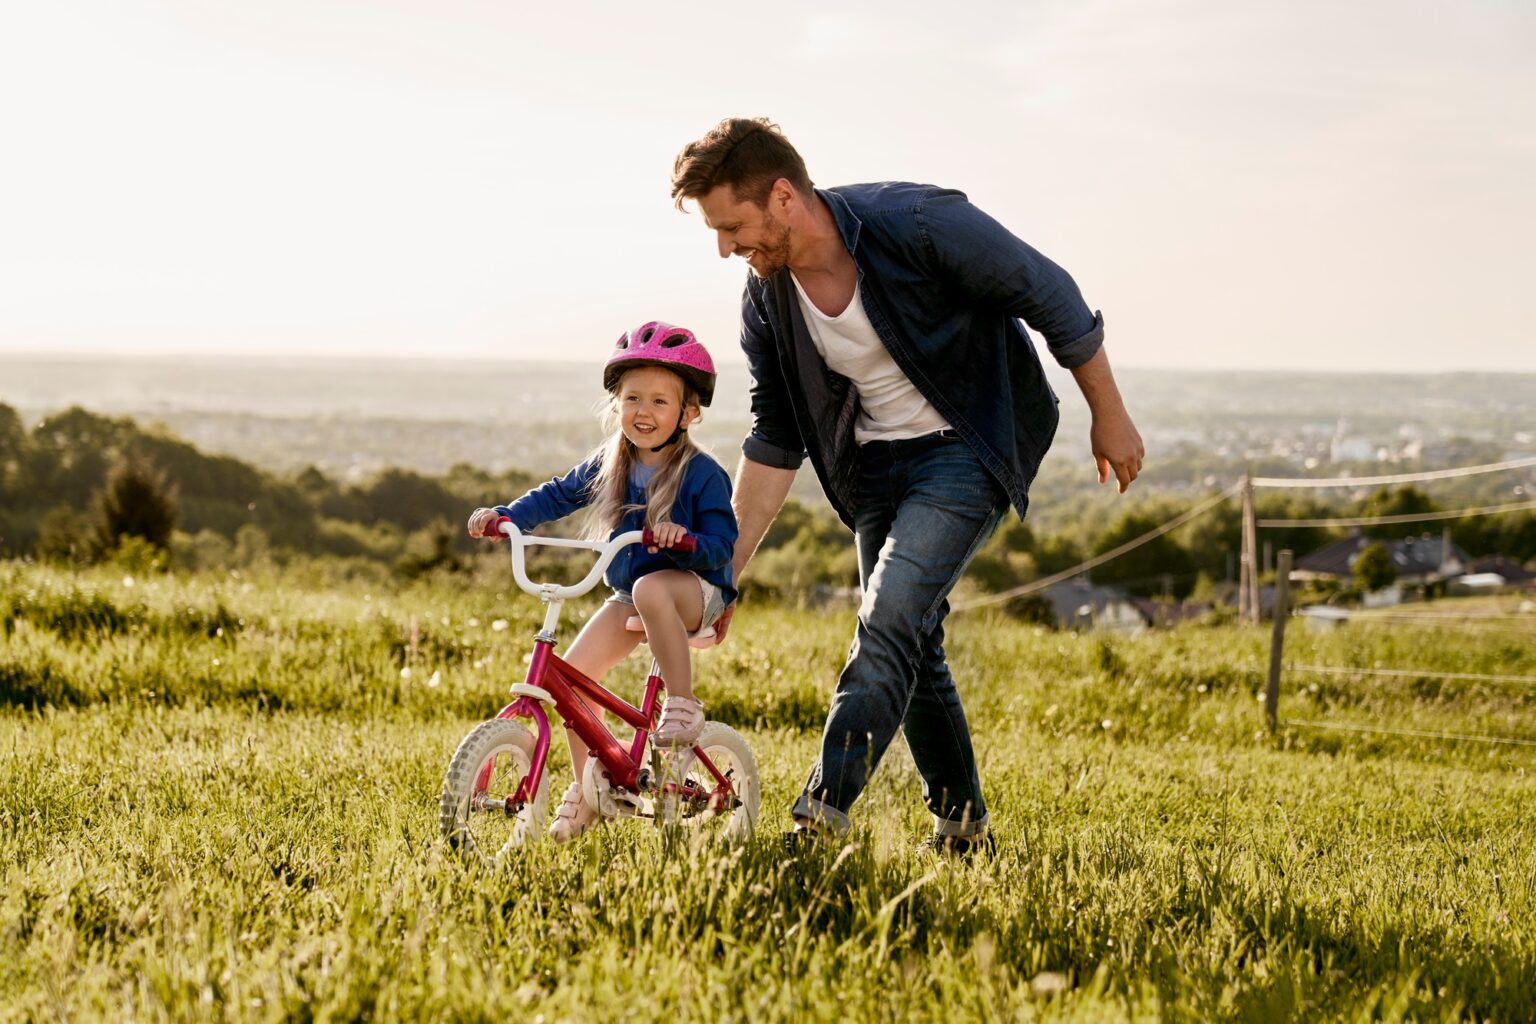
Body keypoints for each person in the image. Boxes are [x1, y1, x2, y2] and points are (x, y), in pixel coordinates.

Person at [670, 118, 1144, 854]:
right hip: (874, 468)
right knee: (913, 641)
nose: (726, 248)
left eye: (733, 226)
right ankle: (962, 830)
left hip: (969, 442)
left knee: (888, 615)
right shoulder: (767, 300)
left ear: (784, 196)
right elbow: (777, 437)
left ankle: (820, 815)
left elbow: (1048, 292)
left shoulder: (919, 224)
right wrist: (721, 576)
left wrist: (1107, 413)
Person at [467, 321, 738, 843]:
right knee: (570, 685)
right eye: (633, 397)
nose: (644, 411)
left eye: (661, 401)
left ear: (689, 412)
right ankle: (594, 788)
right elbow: (556, 495)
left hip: (693, 589)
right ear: (616, 404)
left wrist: (684, 540)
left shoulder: (703, 474)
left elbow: (722, 544)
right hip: (631, 593)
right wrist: (510, 518)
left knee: (652, 588)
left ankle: (681, 706)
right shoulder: (610, 462)